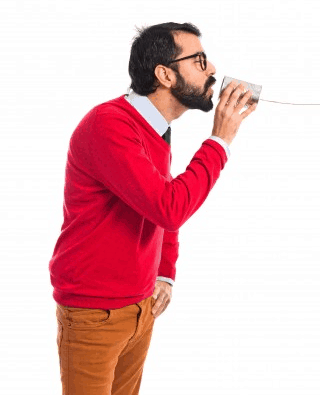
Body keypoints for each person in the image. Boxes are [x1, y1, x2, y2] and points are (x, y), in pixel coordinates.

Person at [49, 22, 256, 394]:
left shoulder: (155, 128)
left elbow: (162, 198)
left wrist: (164, 273)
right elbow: (169, 206)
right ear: (165, 75)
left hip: (141, 307)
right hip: (94, 313)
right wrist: (220, 141)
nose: (212, 70)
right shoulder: (110, 125)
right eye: (200, 60)